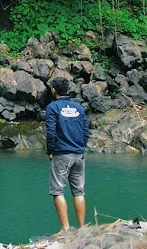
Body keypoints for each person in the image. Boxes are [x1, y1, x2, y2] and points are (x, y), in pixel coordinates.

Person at [45, 76, 90, 232]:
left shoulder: (53, 107)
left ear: (53, 90)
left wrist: (50, 151)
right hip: (79, 154)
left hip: (62, 153)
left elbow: (51, 132)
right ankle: (82, 228)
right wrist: (82, 148)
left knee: (57, 190)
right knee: (79, 191)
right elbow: (85, 131)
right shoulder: (79, 108)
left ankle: (65, 228)